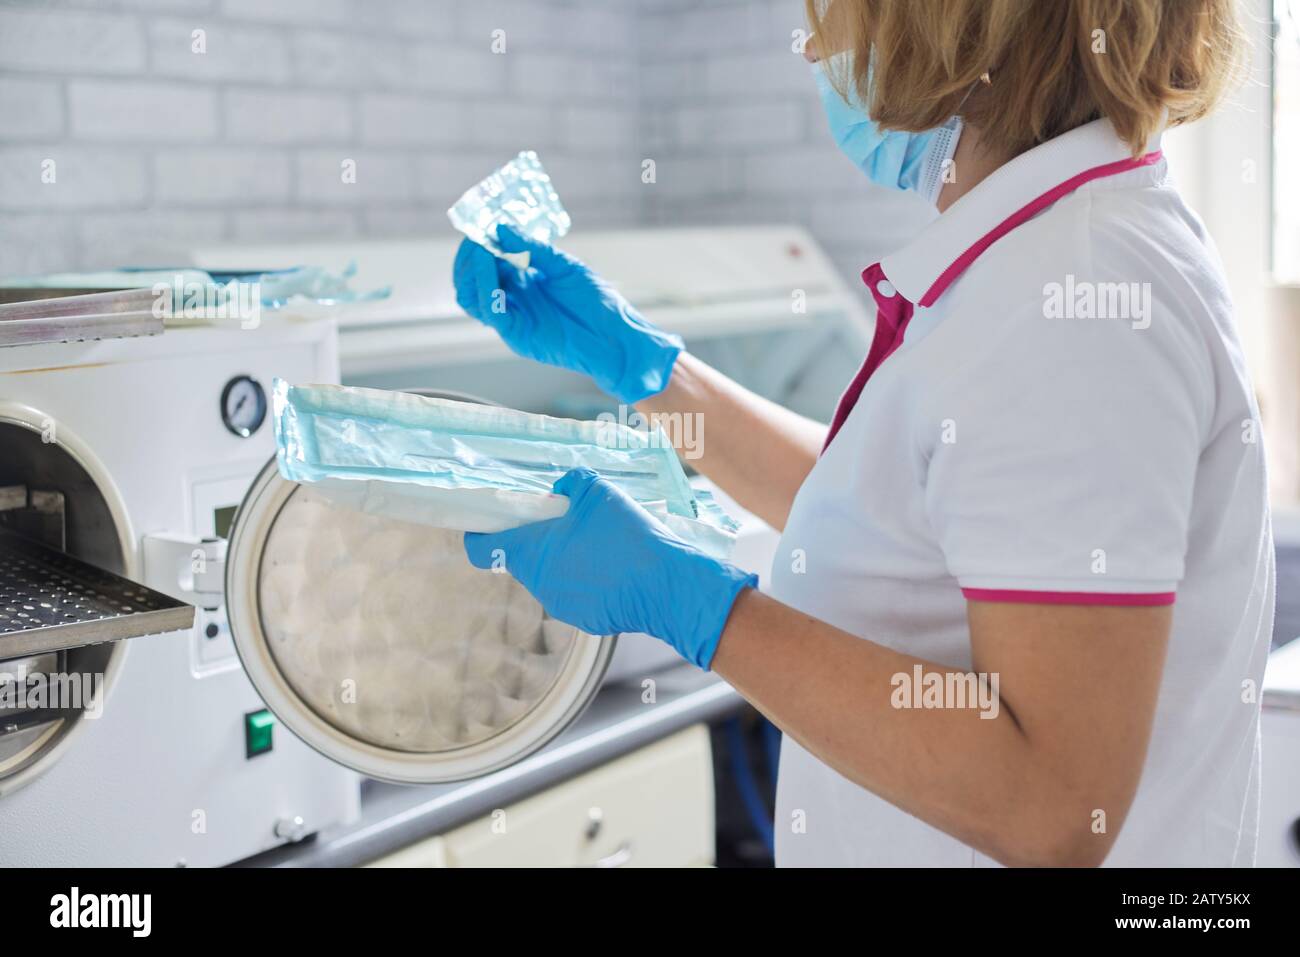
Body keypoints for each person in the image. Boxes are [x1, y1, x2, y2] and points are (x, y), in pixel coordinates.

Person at [452, 0, 1271, 867]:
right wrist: (650, 371)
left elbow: (1051, 802)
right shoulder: (1055, 251)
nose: (811, 46)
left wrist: (698, 606)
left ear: (953, 24)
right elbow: (899, 523)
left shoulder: (1071, 294)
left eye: (833, 12)